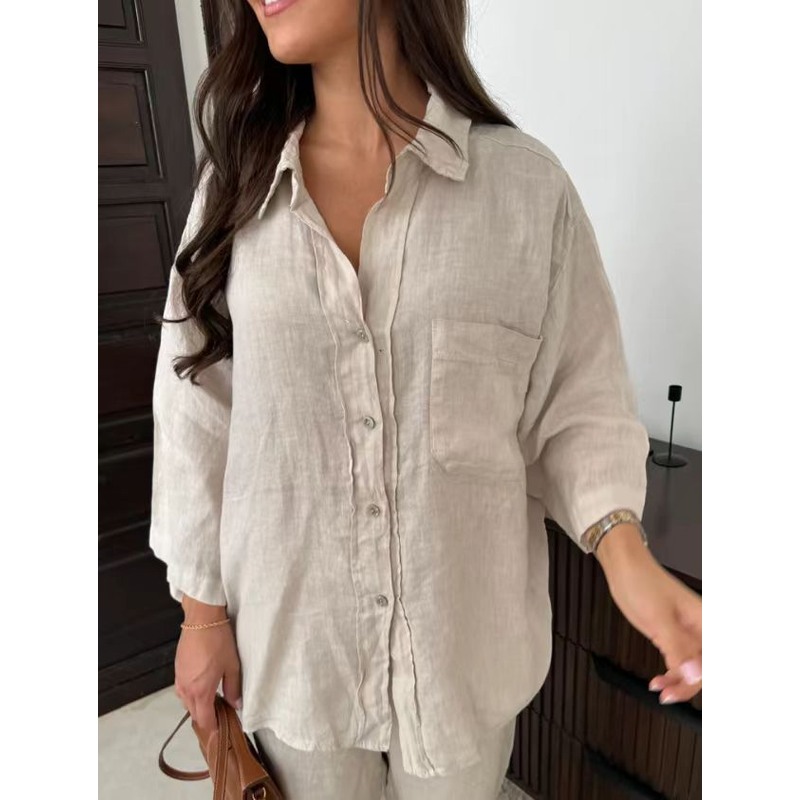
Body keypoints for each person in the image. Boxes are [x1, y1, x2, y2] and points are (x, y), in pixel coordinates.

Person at [149, 1, 703, 798]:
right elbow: (197, 416)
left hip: (462, 649)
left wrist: (626, 556)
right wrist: (201, 616)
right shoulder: (234, 191)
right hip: (296, 646)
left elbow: (576, 402)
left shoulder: (524, 190)